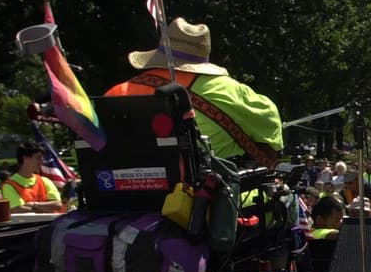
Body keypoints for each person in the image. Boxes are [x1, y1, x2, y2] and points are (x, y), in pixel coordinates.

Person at [105, 17, 284, 168]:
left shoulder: (118, 92)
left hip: (124, 197)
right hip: (198, 199)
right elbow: (270, 127)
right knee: (286, 199)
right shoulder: (227, 90)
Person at [1, 141, 65, 214]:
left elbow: (58, 205)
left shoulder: (45, 181)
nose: (42, 161)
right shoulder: (9, 186)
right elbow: (17, 209)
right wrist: (45, 207)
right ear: (25, 158)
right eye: (38, 157)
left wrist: (33, 204)